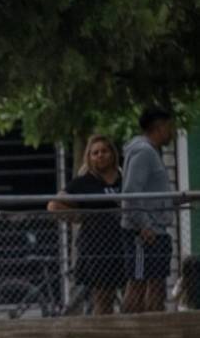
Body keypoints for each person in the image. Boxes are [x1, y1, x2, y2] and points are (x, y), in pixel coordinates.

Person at [47, 135, 125, 314]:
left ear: (112, 154)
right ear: (89, 157)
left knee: (132, 292)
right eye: (95, 153)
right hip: (97, 247)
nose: (100, 156)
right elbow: (54, 205)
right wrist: (78, 217)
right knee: (103, 297)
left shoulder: (124, 178)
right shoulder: (84, 182)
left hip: (125, 243)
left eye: (104, 151)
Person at [121, 107, 175, 313]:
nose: (171, 132)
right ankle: (130, 335)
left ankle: (155, 334)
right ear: (159, 127)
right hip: (144, 234)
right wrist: (144, 225)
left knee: (157, 283)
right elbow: (131, 191)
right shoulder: (143, 152)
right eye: (169, 127)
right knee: (138, 282)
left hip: (157, 230)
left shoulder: (152, 152)